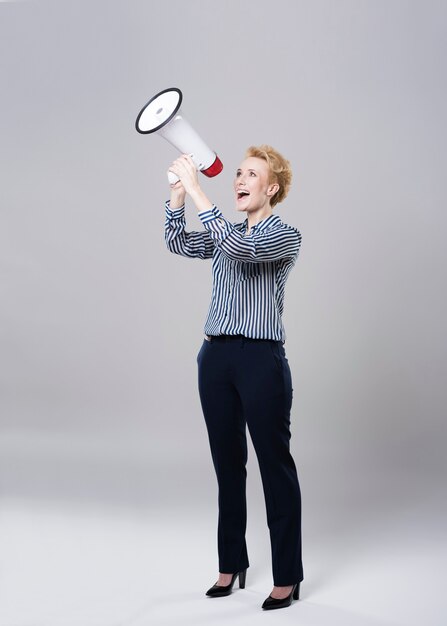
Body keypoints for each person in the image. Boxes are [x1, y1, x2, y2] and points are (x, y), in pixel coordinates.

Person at [164, 145, 303, 610]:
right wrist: (178, 197)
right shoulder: (224, 233)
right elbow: (180, 243)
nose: (240, 180)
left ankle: (286, 575)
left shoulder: (286, 235)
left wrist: (202, 194)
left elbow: (243, 248)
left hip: (261, 360)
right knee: (227, 468)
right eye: (238, 173)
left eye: (251, 175)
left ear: (272, 188)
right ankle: (231, 565)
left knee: (274, 468)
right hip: (216, 358)